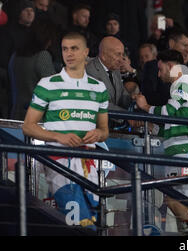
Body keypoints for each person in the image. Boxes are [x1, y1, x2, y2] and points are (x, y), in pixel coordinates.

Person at [22, 32, 109, 229]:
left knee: (93, 223)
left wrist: (99, 134)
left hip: (89, 163)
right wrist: (58, 136)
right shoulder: (47, 84)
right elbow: (28, 126)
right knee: (79, 222)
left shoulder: (99, 88)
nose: (68, 53)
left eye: (74, 48)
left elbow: (104, 130)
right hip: (57, 161)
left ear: (86, 52)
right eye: (64, 49)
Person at [135, 49, 188, 233]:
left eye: (160, 68)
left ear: (170, 66)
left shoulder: (183, 84)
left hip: (182, 153)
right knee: (181, 203)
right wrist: (153, 128)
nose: (158, 73)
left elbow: (167, 113)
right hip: (183, 152)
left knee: (171, 199)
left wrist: (145, 106)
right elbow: (172, 122)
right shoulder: (181, 86)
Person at [9, 18, 57, 120]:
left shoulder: (15, 56)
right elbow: (54, 87)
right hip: (36, 118)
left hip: (16, 114)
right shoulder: (42, 56)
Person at [99, 0, 148, 66]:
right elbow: (101, 20)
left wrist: (143, 41)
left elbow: (142, 22)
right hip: (112, 41)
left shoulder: (136, 0)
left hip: (133, 41)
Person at [85, 36, 132, 112]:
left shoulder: (114, 68)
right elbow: (101, 103)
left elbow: (122, 94)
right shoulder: (90, 71)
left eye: (122, 54)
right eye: (118, 54)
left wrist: (133, 100)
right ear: (104, 56)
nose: (121, 60)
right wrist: (128, 116)